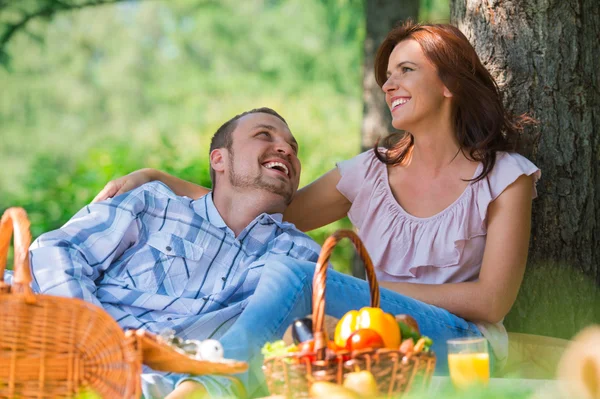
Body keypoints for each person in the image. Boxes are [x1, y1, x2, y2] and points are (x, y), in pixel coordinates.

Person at [95, 20, 541, 380]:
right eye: (386, 77)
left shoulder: (504, 177)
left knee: (294, 274)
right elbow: (266, 205)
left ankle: (206, 382)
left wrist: (364, 293)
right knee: (284, 287)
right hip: (372, 336)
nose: (389, 86)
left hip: (458, 342)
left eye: (406, 70)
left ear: (450, 84)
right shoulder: (369, 171)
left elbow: (491, 301)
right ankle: (180, 374)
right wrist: (160, 178)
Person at [27, 107, 323, 399]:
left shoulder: (301, 256)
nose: (286, 148)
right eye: (264, 135)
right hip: (77, 367)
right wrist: (96, 347)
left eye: (293, 147)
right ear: (219, 159)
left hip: (185, 389)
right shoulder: (153, 205)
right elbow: (54, 251)